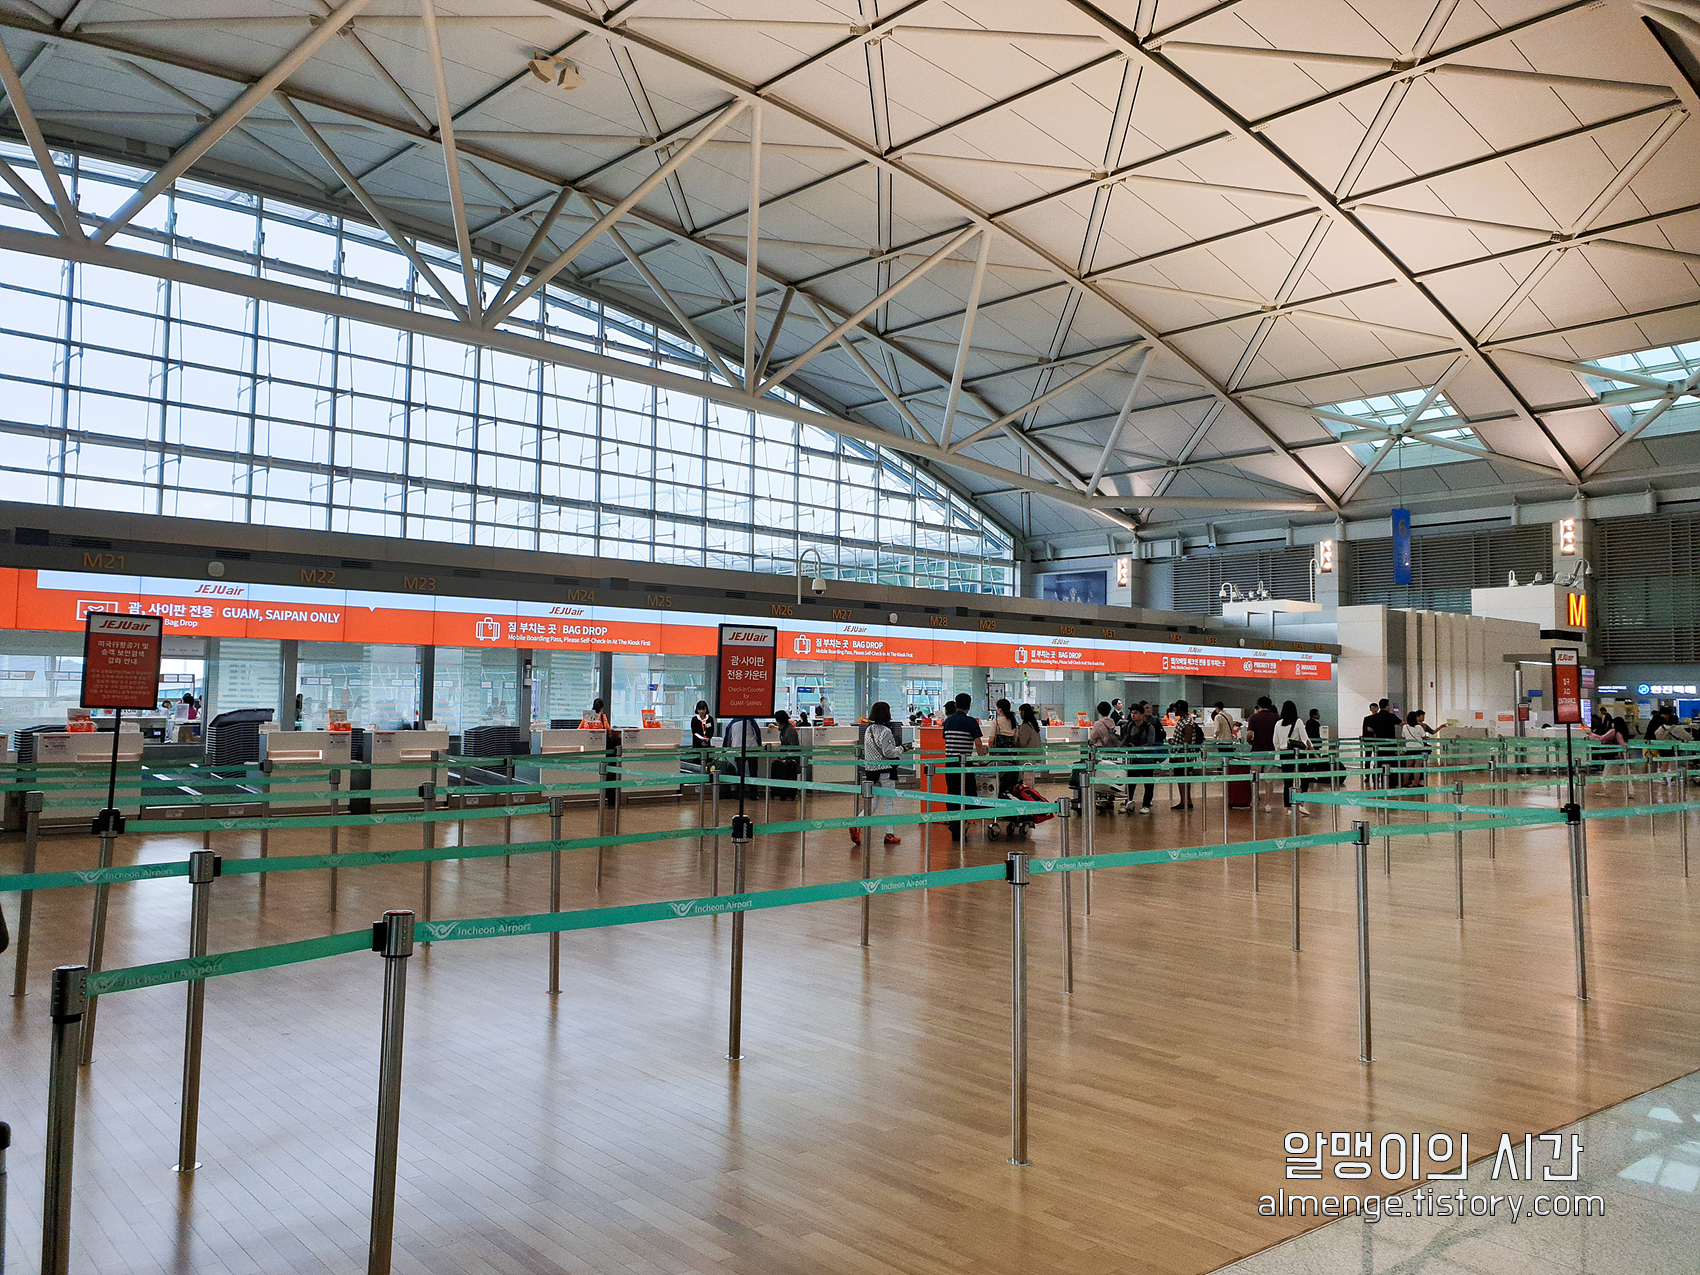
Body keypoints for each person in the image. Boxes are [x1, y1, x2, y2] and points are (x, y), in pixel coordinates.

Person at [854, 701, 905, 848]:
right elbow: (889, 752)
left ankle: (856, 824)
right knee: (889, 802)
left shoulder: (868, 730)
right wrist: (901, 749)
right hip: (886, 770)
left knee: (873, 802)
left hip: (871, 770)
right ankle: (889, 833)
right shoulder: (886, 731)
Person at [941, 692, 985, 843]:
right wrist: (982, 760)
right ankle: (964, 822)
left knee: (952, 793)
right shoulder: (971, 722)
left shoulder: (948, 721)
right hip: (965, 764)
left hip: (950, 763)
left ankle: (955, 824)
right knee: (969, 793)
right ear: (969, 706)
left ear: (955, 705)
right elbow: (978, 743)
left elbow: (945, 738)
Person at [1120, 702, 1160, 812]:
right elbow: (1126, 738)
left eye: (1136, 713)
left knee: (1148, 783)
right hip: (1134, 759)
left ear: (1142, 715)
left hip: (1147, 760)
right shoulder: (1130, 726)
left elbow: (1150, 743)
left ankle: (1146, 804)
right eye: (1132, 713)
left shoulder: (1149, 727)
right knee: (1131, 783)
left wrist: (1137, 748)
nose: (1133, 715)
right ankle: (1128, 802)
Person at [1273, 700, 1311, 812]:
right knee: (1304, 778)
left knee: (1287, 782)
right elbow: (1305, 739)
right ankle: (1300, 803)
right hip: (1297, 754)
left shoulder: (1278, 723)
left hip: (1284, 754)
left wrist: (1278, 754)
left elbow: (1275, 741)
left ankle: (1288, 807)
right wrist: (1312, 750)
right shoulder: (1298, 722)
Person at [1169, 699, 1202, 809]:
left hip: (1183, 757)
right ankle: (1185, 800)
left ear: (1179, 709)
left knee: (1183, 778)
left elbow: (1187, 741)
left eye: (1175, 709)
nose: (1174, 711)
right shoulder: (1183, 720)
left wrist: (1182, 755)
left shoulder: (1187, 722)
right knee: (1182, 778)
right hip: (1181, 755)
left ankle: (1185, 801)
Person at [990, 697, 1020, 798]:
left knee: (998, 780)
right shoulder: (1014, 722)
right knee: (1010, 781)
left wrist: (990, 752)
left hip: (999, 756)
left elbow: (991, 740)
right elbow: (1016, 740)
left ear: (1000, 709)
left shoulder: (996, 722)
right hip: (1011, 757)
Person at [770, 709, 801, 793]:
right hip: (788, 758)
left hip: (790, 759)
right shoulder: (787, 728)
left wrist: (785, 755)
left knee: (788, 776)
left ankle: (787, 792)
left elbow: (793, 745)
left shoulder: (789, 731)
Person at [1016, 702, 1044, 788]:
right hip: (1034, 756)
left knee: (1025, 780)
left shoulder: (1025, 726)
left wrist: (1016, 738)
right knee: (1030, 779)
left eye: (1021, 712)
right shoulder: (1034, 725)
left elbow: (1022, 743)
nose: (1020, 714)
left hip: (1026, 757)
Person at [1400, 710, 1428, 787]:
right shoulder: (1419, 727)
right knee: (1417, 767)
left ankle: (1405, 782)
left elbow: (1403, 736)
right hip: (1419, 748)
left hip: (1409, 748)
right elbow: (1424, 736)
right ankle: (1416, 783)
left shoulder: (1405, 727)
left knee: (1408, 767)